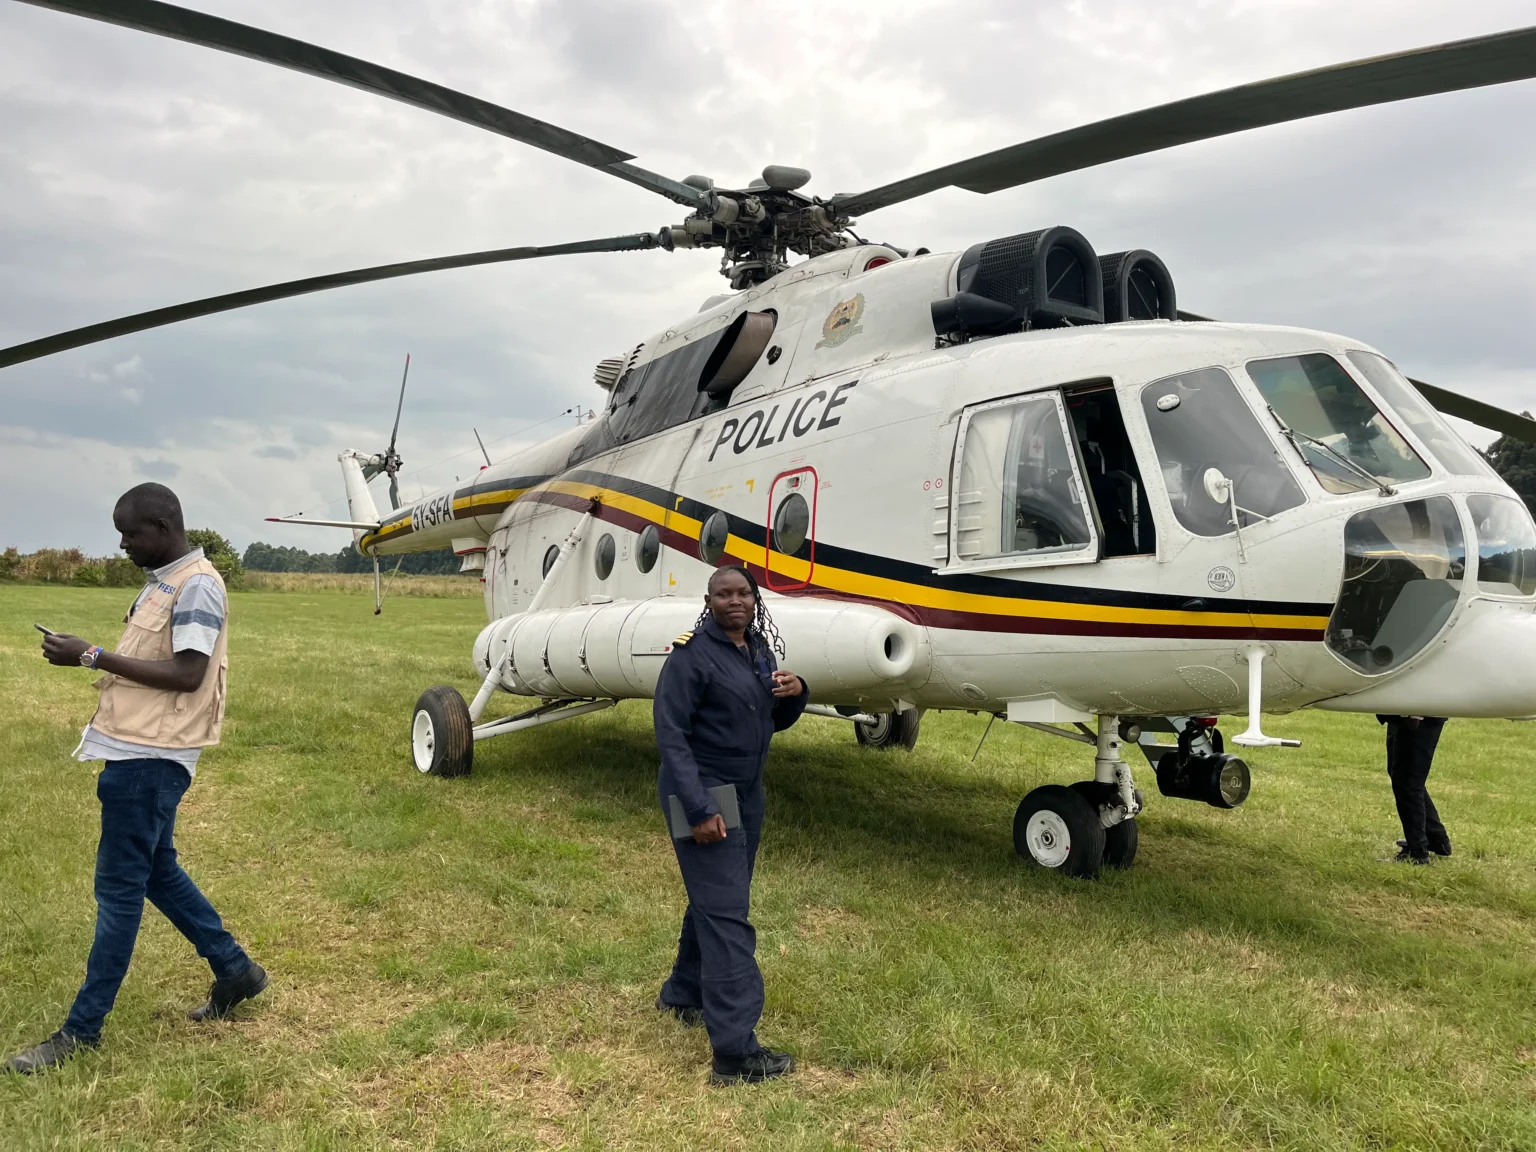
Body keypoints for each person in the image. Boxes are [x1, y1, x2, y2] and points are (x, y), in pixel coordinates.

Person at [6, 483, 266, 1076]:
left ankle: (81, 1030)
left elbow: (187, 673)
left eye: (130, 533)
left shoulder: (197, 584)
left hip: (150, 759)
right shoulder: (166, 582)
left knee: (119, 890)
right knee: (156, 869)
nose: (122, 544)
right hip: (137, 751)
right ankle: (235, 970)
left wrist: (92, 655)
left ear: (163, 524)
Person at [652, 565, 809, 1085]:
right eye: (724, 594)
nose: (735, 601)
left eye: (743, 592)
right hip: (702, 790)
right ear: (709, 600)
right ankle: (735, 1054)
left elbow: (770, 720)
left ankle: (683, 993)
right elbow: (671, 735)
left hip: (748, 790)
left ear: (754, 597)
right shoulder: (690, 655)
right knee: (728, 917)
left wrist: (797, 691)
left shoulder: (757, 648)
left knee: (719, 899)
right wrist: (699, 809)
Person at [1377, 714, 1452, 865]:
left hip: (1417, 716)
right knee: (1401, 776)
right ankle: (1435, 839)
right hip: (1402, 715)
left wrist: (1413, 713)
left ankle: (1417, 852)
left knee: (1408, 781)